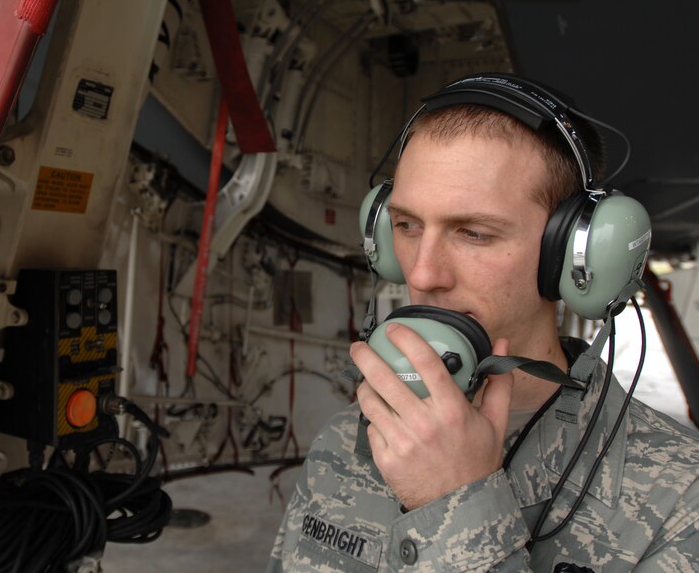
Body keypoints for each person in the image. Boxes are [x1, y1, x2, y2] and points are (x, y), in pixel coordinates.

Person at [266, 73, 699, 572]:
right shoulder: (347, 440)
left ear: (575, 255)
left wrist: (456, 505)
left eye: (472, 232)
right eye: (406, 226)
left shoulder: (678, 499)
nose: (423, 274)